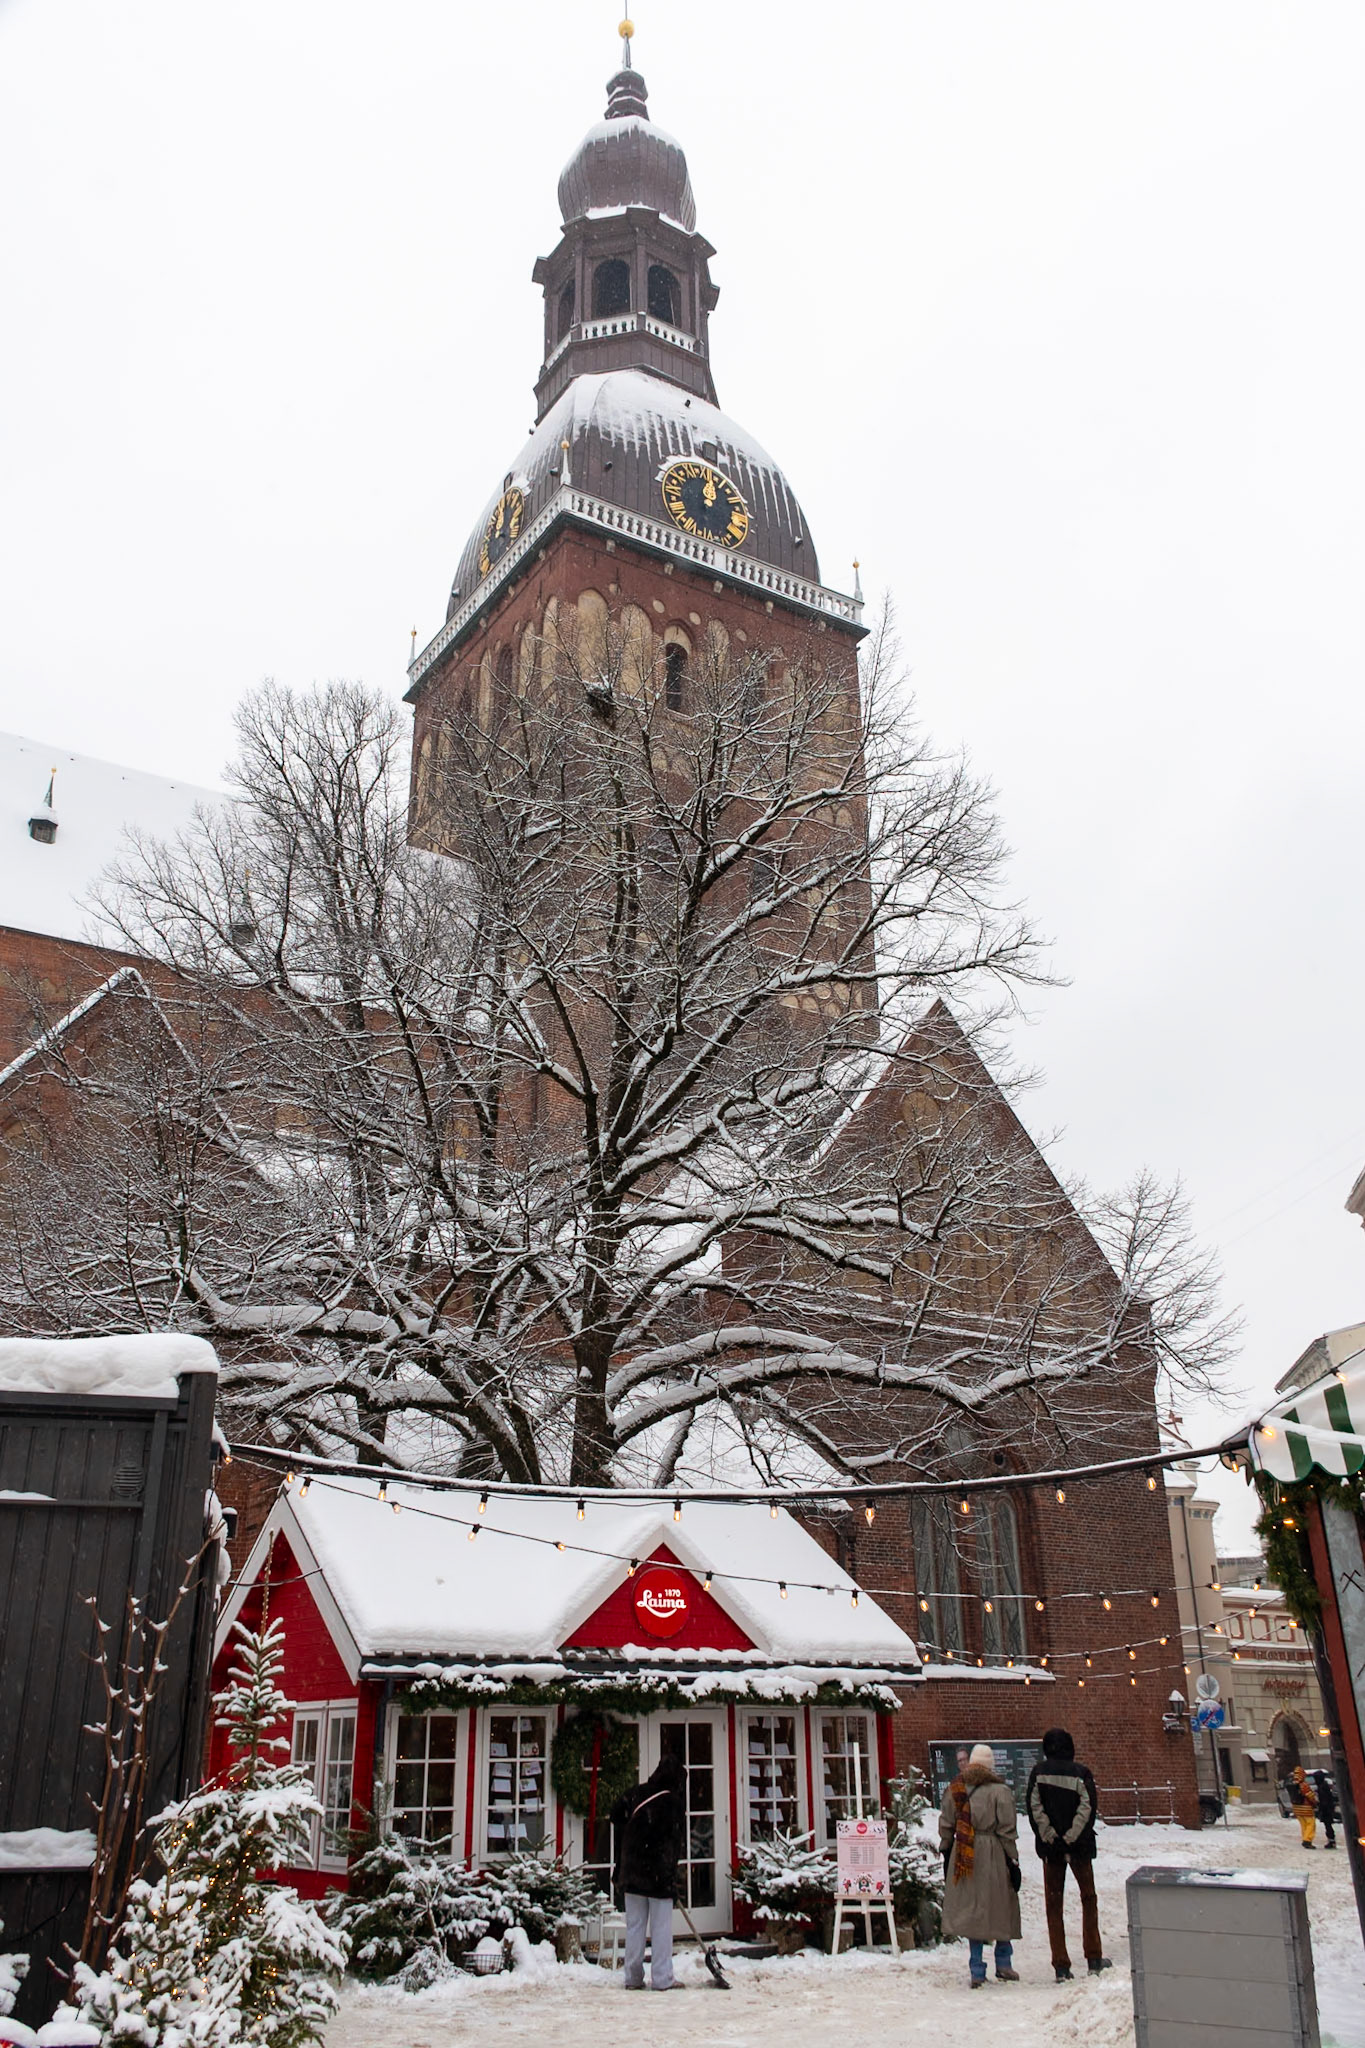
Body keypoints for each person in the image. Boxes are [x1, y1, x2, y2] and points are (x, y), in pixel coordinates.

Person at [1025, 1727, 1113, 1983]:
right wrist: (1071, 1836)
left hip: (1050, 1850)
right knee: (1088, 1898)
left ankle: (1061, 1964)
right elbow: (1087, 1807)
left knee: (1054, 1904)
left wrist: (1051, 1836)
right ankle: (1094, 1957)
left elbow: (1034, 1807)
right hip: (1080, 1847)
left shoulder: (1038, 1773)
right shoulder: (1081, 1773)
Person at [938, 1742, 1023, 1987]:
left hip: (964, 1852)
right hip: (993, 1851)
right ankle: (1004, 1963)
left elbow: (946, 1823)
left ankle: (976, 1968)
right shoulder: (1000, 1791)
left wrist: (946, 1851)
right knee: (1001, 1904)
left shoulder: (956, 1788)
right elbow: (1007, 1830)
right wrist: (1013, 1860)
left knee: (972, 1908)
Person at [610, 1754, 687, 1991]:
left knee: (634, 1925)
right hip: (657, 1873)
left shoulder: (635, 1793)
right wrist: (671, 1876)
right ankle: (662, 1978)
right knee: (661, 1927)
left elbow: (615, 1815)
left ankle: (632, 1977)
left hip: (632, 1870)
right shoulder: (672, 1803)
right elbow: (675, 1842)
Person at [1288, 1765, 1318, 1848]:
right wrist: (1315, 1802)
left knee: (1303, 1825)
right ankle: (1307, 1840)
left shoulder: (1293, 1784)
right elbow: (1309, 1795)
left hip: (1296, 1808)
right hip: (1306, 1808)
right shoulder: (1303, 1785)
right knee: (1310, 1824)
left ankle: (1305, 1838)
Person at [1311, 1769, 1338, 1849]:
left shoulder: (1322, 1787)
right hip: (1327, 1809)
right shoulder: (1323, 1785)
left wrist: (1321, 1806)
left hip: (1326, 1809)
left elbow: (1324, 1800)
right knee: (1328, 1825)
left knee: (1328, 1825)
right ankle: (1331, 1840)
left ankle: (1331, 1841)